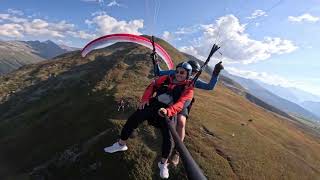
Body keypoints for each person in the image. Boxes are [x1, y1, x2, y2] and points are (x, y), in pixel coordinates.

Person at [104, 62, 194, 179]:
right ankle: (121, 144)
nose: (178, 74)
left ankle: (163, 163)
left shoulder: (188, 89)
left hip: (168, 111)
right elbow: (152, 86)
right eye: (177, 71)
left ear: (188, 74)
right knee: (133, 119)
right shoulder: (166, 78)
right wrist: (145, 99)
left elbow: (182, 103)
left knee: (169, 138)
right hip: (154, 104)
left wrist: (168, 111)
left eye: (182, 72)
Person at [154, 59, 224, 166]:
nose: (193, 75)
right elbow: (159, 73)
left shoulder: (193, 80)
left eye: (195, 73)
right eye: (193, 72)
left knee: (181, 122)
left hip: (183, 102)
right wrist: (155, 63)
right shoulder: (175, 73)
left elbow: (209, 86)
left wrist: (216, 73)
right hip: (170, 99)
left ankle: (177, 152)